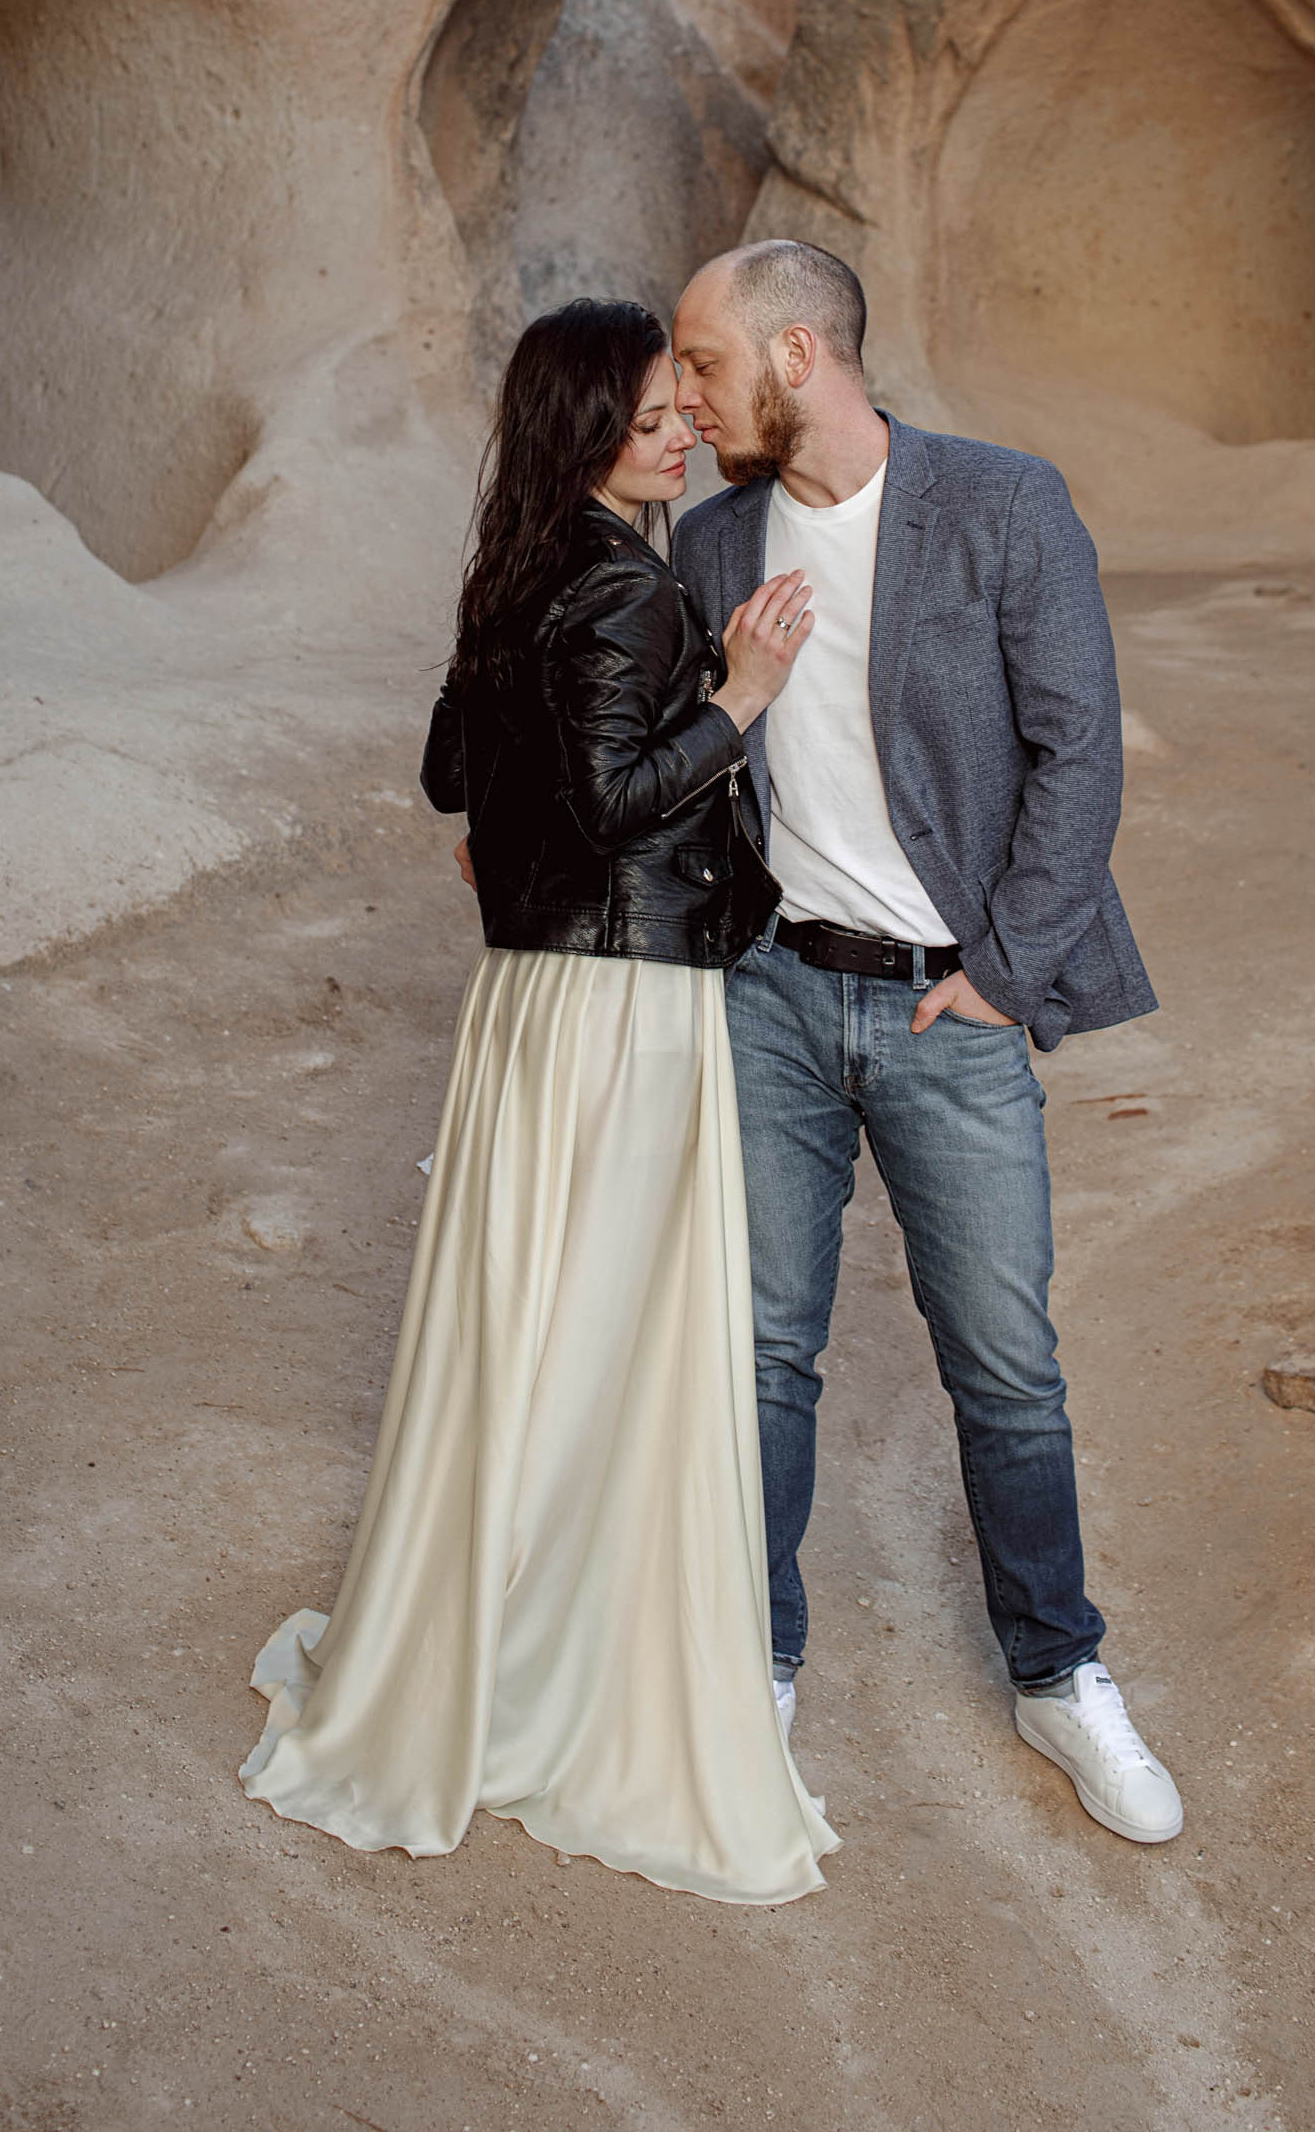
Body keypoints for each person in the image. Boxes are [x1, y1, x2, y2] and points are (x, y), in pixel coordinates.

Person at [240, 298, 838, 1902]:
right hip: (620, 1007)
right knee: (611, 1330)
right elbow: (611, 799)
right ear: (587, 431)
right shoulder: (634, 589)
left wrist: (520, 830)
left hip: (530, 1002)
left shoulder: (517, 571)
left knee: (537, 1316)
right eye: (653, 412)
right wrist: (749, 688)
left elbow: (457, 775)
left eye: (679, 408)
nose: (683, 431)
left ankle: (493, 1636)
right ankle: (562, 1668)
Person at [670, 241, 1183, 1847]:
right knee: (762, 1353)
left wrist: (1009, 970)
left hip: (950, 1007)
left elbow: (1078, 752)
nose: (682, 399)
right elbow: (685, 753)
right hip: (771, 995)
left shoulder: (1003, 504)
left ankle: (1058, 1673)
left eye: (701, 363)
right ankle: (755, 1663)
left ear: (798, 352)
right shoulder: (710, 544)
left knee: (1007, 1368)